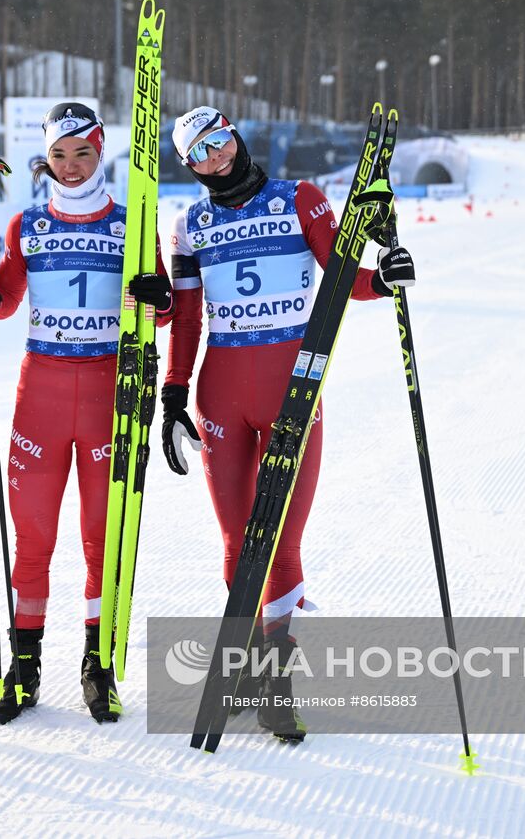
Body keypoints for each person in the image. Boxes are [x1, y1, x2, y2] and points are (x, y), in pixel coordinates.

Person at [158, 106, 414, 743]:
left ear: (235, 138)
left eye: (219, 142)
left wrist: (382, 279)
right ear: (188, 166)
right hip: (220, 394)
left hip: (292, 387)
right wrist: (173, 393)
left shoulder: (298, 198)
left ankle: (276, 680)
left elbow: (340, 278)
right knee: (236, 537)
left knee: (282, 539)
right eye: (198, 155)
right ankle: (245, 668)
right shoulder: (189, 225)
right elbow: (185, 319)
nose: (214, 158)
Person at [0, 102, 174, 725]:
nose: (72, 167)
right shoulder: (26, 224)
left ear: (102, 150)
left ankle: (97, 666)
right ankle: (23, 667)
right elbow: (1, 306)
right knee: (32, 538)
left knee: (100, 541)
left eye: (83, 154)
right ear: (46, 158)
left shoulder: (132, 224)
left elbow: (161, 312)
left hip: (109, 390)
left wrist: (158, 298)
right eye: (60, 155)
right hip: (43, 393)